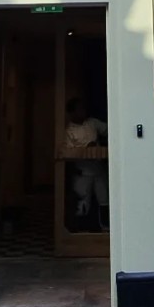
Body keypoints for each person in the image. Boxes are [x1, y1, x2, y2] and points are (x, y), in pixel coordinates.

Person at [63, 96, 108, 229]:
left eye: (83, 108)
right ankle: (79, 233)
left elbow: (109, 130)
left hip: (99, 170)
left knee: (105, 200)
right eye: (79, 109)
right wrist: (86, 149)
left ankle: (106, 230)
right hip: (82, 173)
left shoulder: (92, 123)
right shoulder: (69, 131)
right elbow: (68, 152)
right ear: (72, 112)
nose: (82, 111)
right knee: (82, 204)